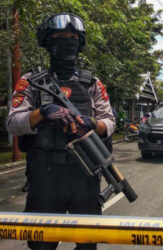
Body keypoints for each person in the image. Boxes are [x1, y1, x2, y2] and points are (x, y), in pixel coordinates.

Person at [6, 13, 116, 250]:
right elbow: (13, 123)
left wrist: (91, 122)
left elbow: (109, 122)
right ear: (48, 42)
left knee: (87, 245)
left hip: (84, 175)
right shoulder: (31, 81)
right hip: (45, 176)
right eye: (60, 37)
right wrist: (43, 112)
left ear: (80, 43)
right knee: (41, 246)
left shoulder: (92, 83)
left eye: (72, 37)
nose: (68, 41)